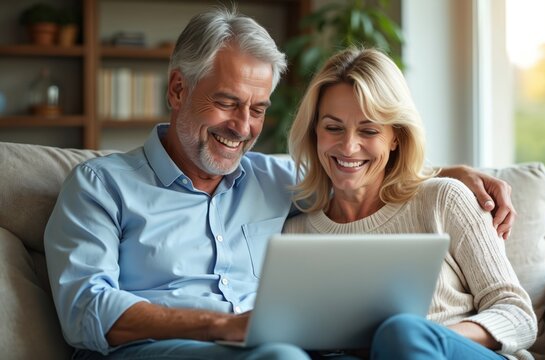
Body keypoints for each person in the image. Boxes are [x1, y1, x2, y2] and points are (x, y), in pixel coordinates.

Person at [44, 7, 516, 359]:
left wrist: (447, 174)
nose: (242, 126)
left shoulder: (277, 179)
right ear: (177, 90)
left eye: (258, 108)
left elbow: (359, 171)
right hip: (160, 350)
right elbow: (86, 306)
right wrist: (223, 326)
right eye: (227, 103)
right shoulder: (100, 186)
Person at [282, 47, 537, 360]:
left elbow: (519, 316)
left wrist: (427, 337)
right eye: (333, 128)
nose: (348, 146)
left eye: (369, 130)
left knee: (401, 332)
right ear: (314, 132)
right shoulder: (294, 235)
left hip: (458, 352)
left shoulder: (443, 199)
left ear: (395, 137)